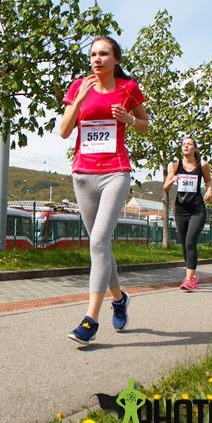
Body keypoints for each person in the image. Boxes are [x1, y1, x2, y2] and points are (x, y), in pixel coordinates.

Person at [60, 36, 149, 346]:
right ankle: (119, 298)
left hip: (115, 172)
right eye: (93, 54)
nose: (97, 59)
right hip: (83, 175)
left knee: (98, 242)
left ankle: (90, 320)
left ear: (116, 59)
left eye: (104, 54)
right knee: (101, 247)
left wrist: (129, 119)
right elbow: (64, 131)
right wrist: (79, 100)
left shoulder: (128, 88)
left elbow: (145, 125)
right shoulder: (78, 86)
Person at [164, 137, 212, 291]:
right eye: (184, 144)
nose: (186, 146)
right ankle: (192, 275)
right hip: (180, 209)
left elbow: (208, 181)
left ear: (194, 148)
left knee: (190, 243)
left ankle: (189, 279)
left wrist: (209, 191)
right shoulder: (175, 165)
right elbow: (165, 187)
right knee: (185, 244)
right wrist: (173, 179)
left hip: (197, 209)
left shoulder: (202, 164)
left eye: (189, 144)